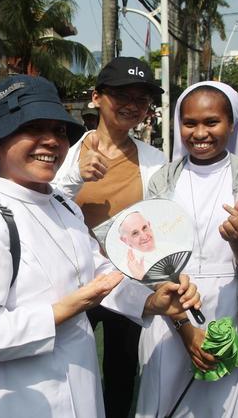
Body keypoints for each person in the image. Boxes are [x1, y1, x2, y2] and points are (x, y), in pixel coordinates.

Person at [0, 74, 201, 417]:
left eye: (59, 131)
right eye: (33, 129)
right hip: (27, 397)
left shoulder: (63, 205)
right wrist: (62, 312)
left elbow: (102, 275)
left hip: (81, 382)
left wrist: (153, 301)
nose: (51, 142)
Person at [136, 81, 238, 417]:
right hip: (176, 312)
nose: (200, 133)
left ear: (232, 124)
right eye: (190, 123)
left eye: (212, 122)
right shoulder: (162, 180)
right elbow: (152, 261)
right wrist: (187, 332)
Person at [52, 56, 166, 417]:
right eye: (121, 95)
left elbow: (164, 220)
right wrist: (76, 176)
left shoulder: (155, 161)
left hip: (129, 282)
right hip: (73, 282)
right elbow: (42, 205)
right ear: (97, 97)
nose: (132, 105)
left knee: (121, 369)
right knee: (70, 366)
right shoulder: (63, 155)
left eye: (141, 98)